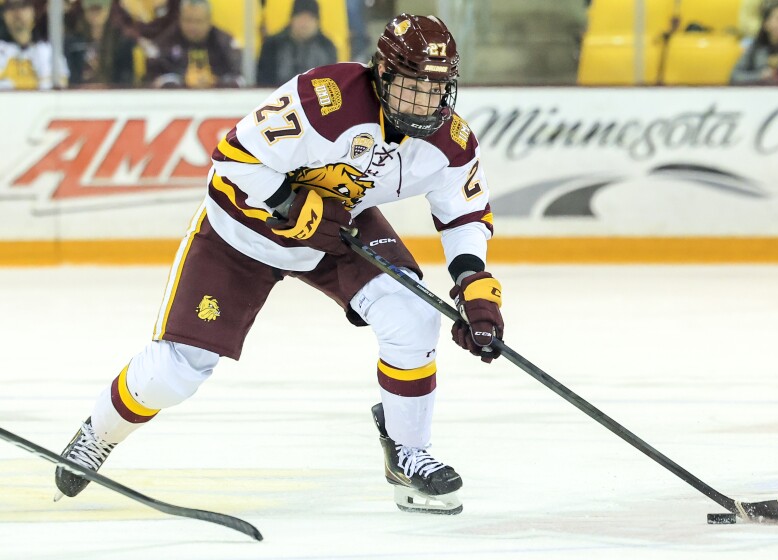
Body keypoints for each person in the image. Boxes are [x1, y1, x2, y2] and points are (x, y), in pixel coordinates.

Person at [53, 13, 503, 515]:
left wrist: (472, 281)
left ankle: (408, 452)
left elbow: (464, 210)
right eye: (412, 86)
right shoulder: (325, 99)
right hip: (243, 230)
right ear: (382, 72)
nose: (425, 102)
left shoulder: (450, 139)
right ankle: (98, 433)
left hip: (337, 228)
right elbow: (234, 159)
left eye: (436, 88)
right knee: (173, 373)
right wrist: (292, 204)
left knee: (413, 318)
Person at [145, 0, 242, 88]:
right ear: (180, 19)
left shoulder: (225, 43)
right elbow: (152, 79)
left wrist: (215, 81)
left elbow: (239, 77)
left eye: (198, 21)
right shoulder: (164, 43)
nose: (193, 27)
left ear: (209, 20)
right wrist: (183, 81)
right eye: (188, 20)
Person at [257, 0, 336, 87]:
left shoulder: (327, 47)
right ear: (292, 19)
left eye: (309, 19)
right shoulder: (272, 45)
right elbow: (263, 81)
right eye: (300, 17)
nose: (304, 24)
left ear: (317, 22)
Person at [65, 0, 136, 87]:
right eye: (91, 10)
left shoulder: (121, 40)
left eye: (99, 10)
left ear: (108, 10)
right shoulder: (72, 39)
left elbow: (126, 77)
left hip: (112, 96)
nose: (95, 15)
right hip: (79, 95)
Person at [0, 0, 67, 89]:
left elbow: (62, 85)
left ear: (34, 11)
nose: (17, 12)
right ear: (3, 14)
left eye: (23, 5)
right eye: (10, 7)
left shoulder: (48, 51)